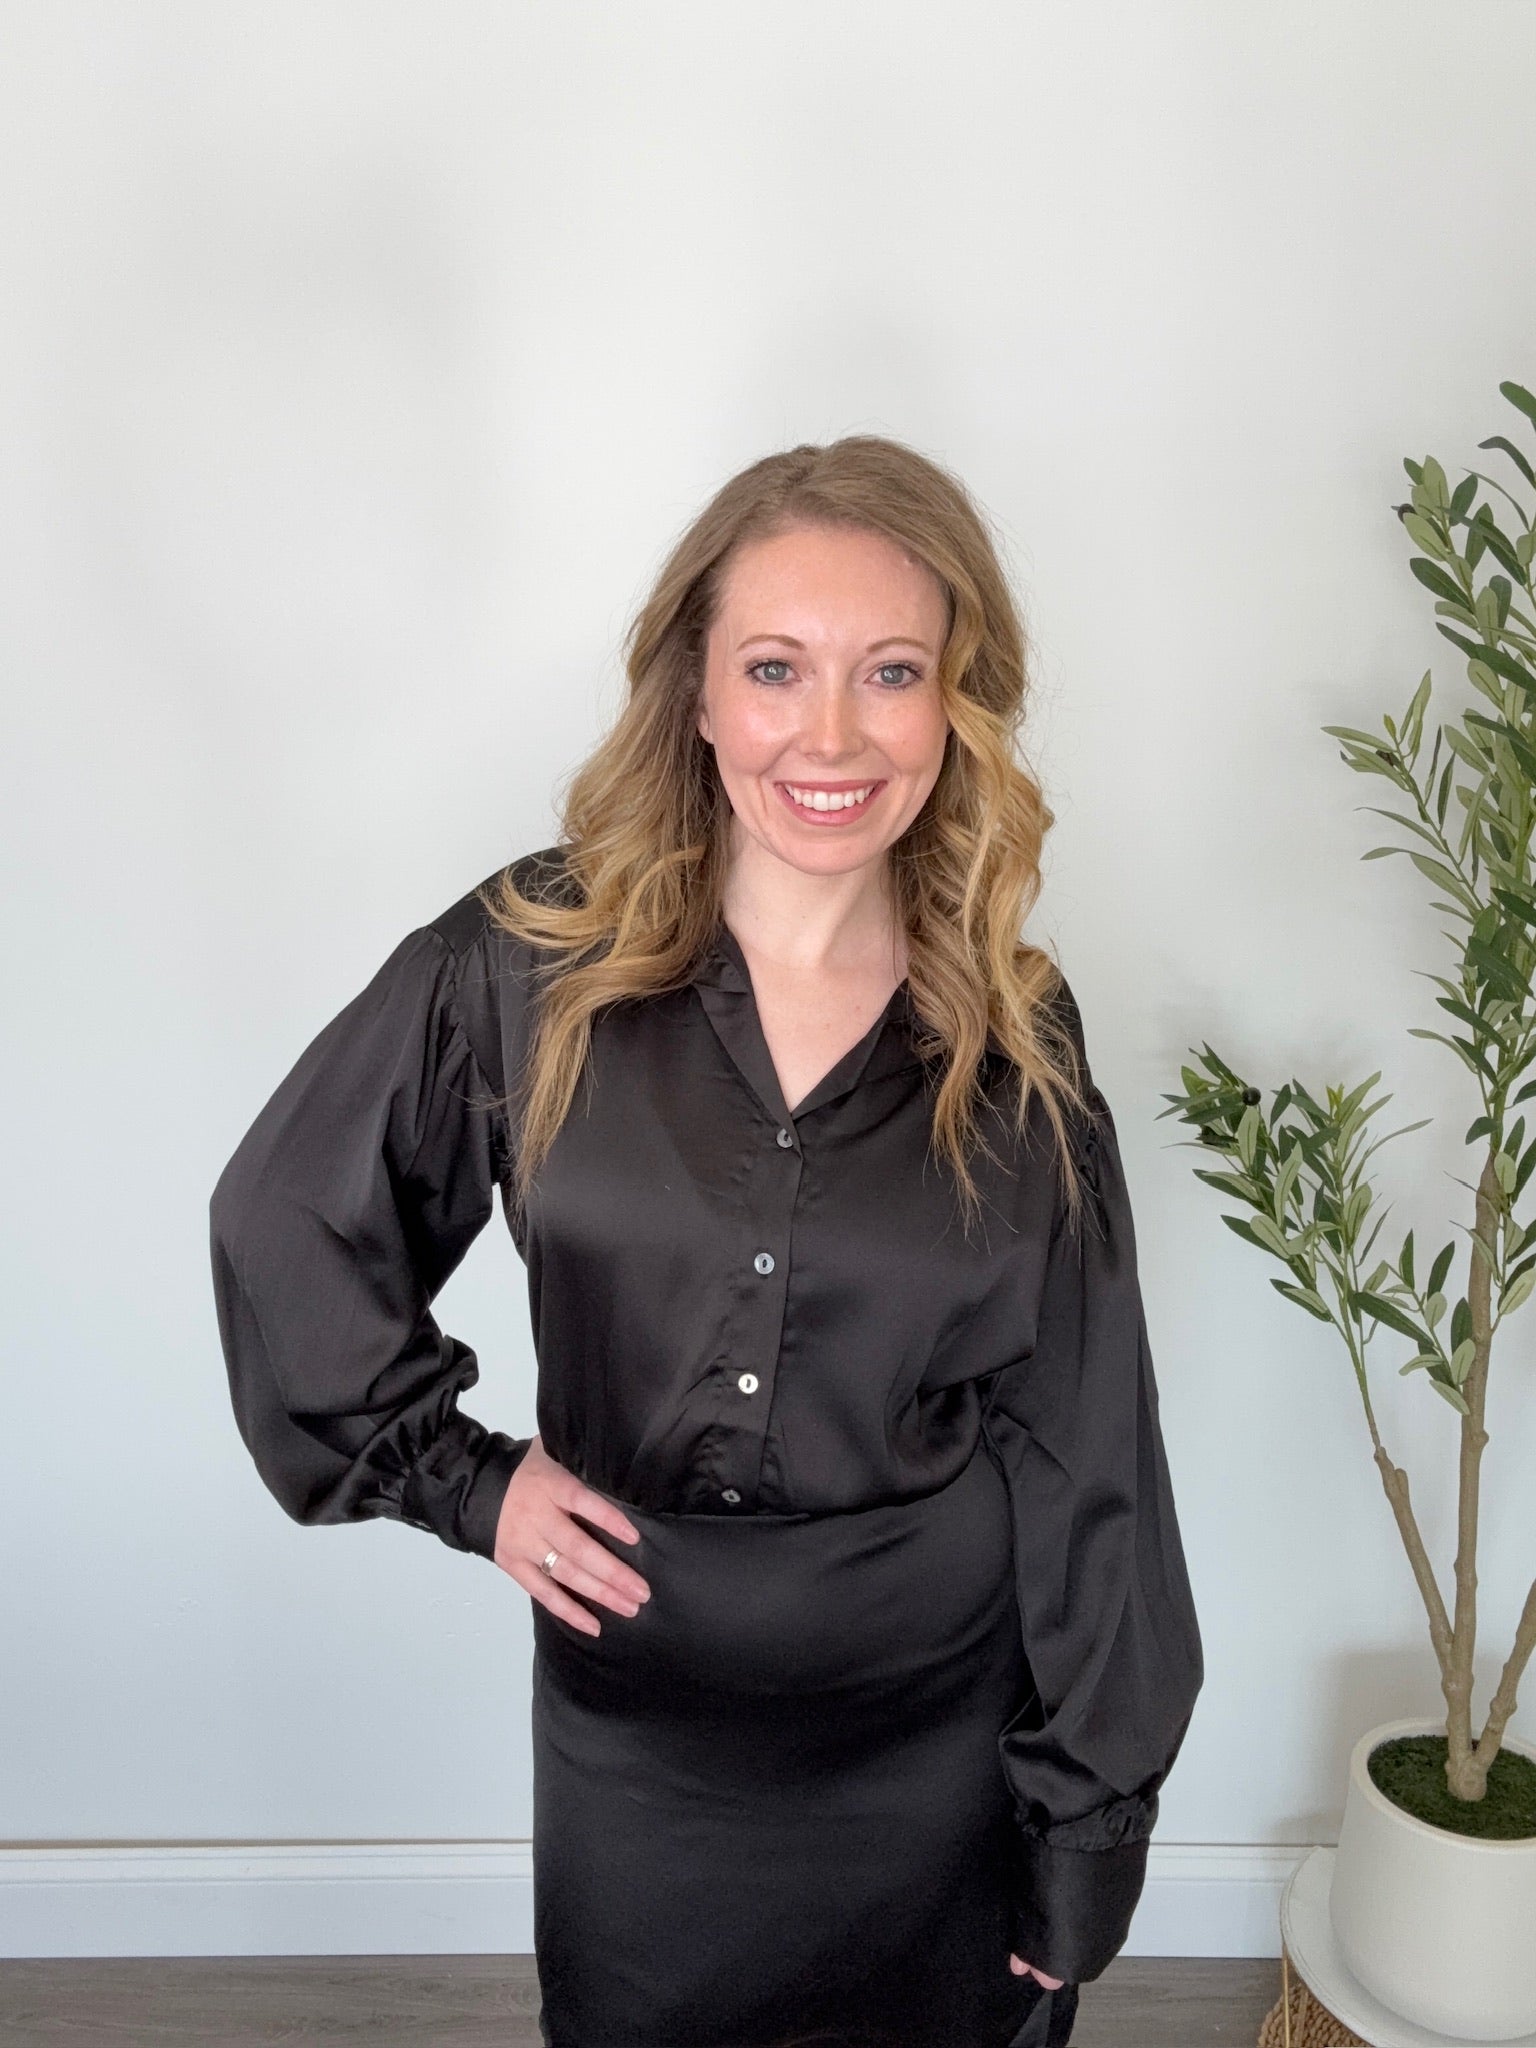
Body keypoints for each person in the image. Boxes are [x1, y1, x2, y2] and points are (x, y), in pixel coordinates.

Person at [209, 435, 1204, 2048]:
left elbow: (1089, 1444)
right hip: (642, 1758)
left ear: (955, 704)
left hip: (939, 1760)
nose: (833, 734)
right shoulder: (527, 964)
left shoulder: (1016, 1030)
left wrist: (1082, 1830)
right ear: (697, 691)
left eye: (892, 672)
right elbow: (287, 1222)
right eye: (776, 668)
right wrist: (466, 1483)